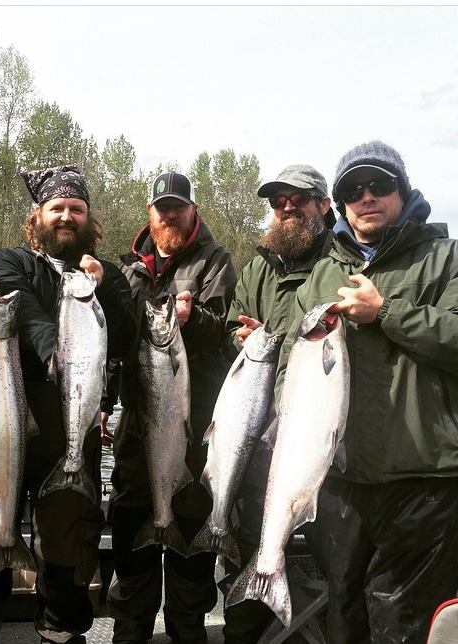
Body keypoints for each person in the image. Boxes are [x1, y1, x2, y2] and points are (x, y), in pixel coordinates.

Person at [0, 164, 135, 644]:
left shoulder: (106, 277)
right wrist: (55, 355)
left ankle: (61, 631)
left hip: (69, 440)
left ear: (89, 219)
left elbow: (129, 339)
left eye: (76, 208)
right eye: (57, 208)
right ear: (38, 216)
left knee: (68, 560)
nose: (66, 216)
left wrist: (106, 282)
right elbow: (20, 310)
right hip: (0, 429)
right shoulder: (9, 263)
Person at [275, 140, 458, 642]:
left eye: (380, 185)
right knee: (342, 608)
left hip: (422, 477)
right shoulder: (321, 274)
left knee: (403, 616)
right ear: (341, 203)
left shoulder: (445, 258)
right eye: (354, 189)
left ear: (404, 190)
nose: (367, 196)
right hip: (338, 478)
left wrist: (387, 313)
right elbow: (290, 369)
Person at [107, 171, 237, 644]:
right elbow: (111, 345)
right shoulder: (129, 269)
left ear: (191, 210)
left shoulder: (215, 261)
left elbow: (224, 334)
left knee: (190, 533)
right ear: (150, 213)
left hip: (196, 425)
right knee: (130, 522)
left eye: (178, 206)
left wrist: (191, 317)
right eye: (162, 207)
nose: (170, 215)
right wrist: (103, 403)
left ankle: (187, 630)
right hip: (135, 428)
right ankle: (130, 629)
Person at [222, 165, 335, 643]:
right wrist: (240, 336)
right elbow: (234, 326)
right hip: (259, 439)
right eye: (278, 201)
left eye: (299, 198)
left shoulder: (344, 265)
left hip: (322, 441)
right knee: (250, 545)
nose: (287, 207)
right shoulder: (256, 268)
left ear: (324, 205)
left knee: (337, 563)